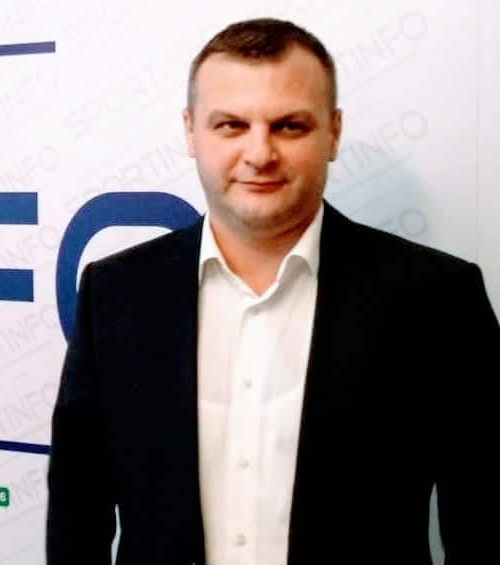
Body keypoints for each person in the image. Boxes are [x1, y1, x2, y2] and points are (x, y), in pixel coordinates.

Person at [46, 17, 498, 565]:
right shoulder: (115, 293)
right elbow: (78, 508)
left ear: (333, 132)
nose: (260, 153)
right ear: (191, 131)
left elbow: (484, 519)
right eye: (231, 125)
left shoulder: (438, 299)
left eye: (289, 126)